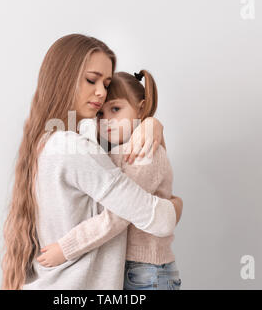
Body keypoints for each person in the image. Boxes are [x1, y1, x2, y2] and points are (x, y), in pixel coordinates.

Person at [1, 34, 177, 290]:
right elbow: (158, 220)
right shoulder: (75, 148)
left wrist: (149, 122)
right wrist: (175, 205)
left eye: (106, 84)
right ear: (63, 78)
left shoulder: (48, 142)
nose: (101, 93)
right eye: (91, 80)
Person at [36, 70, 183, 290]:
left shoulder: (142, 153)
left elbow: (119, 215)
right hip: (130, 268)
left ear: (141, 108)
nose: (107, 121)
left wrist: (66, 248)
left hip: (146, 270)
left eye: (115, 109)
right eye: (101, 115)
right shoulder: (111, 151)